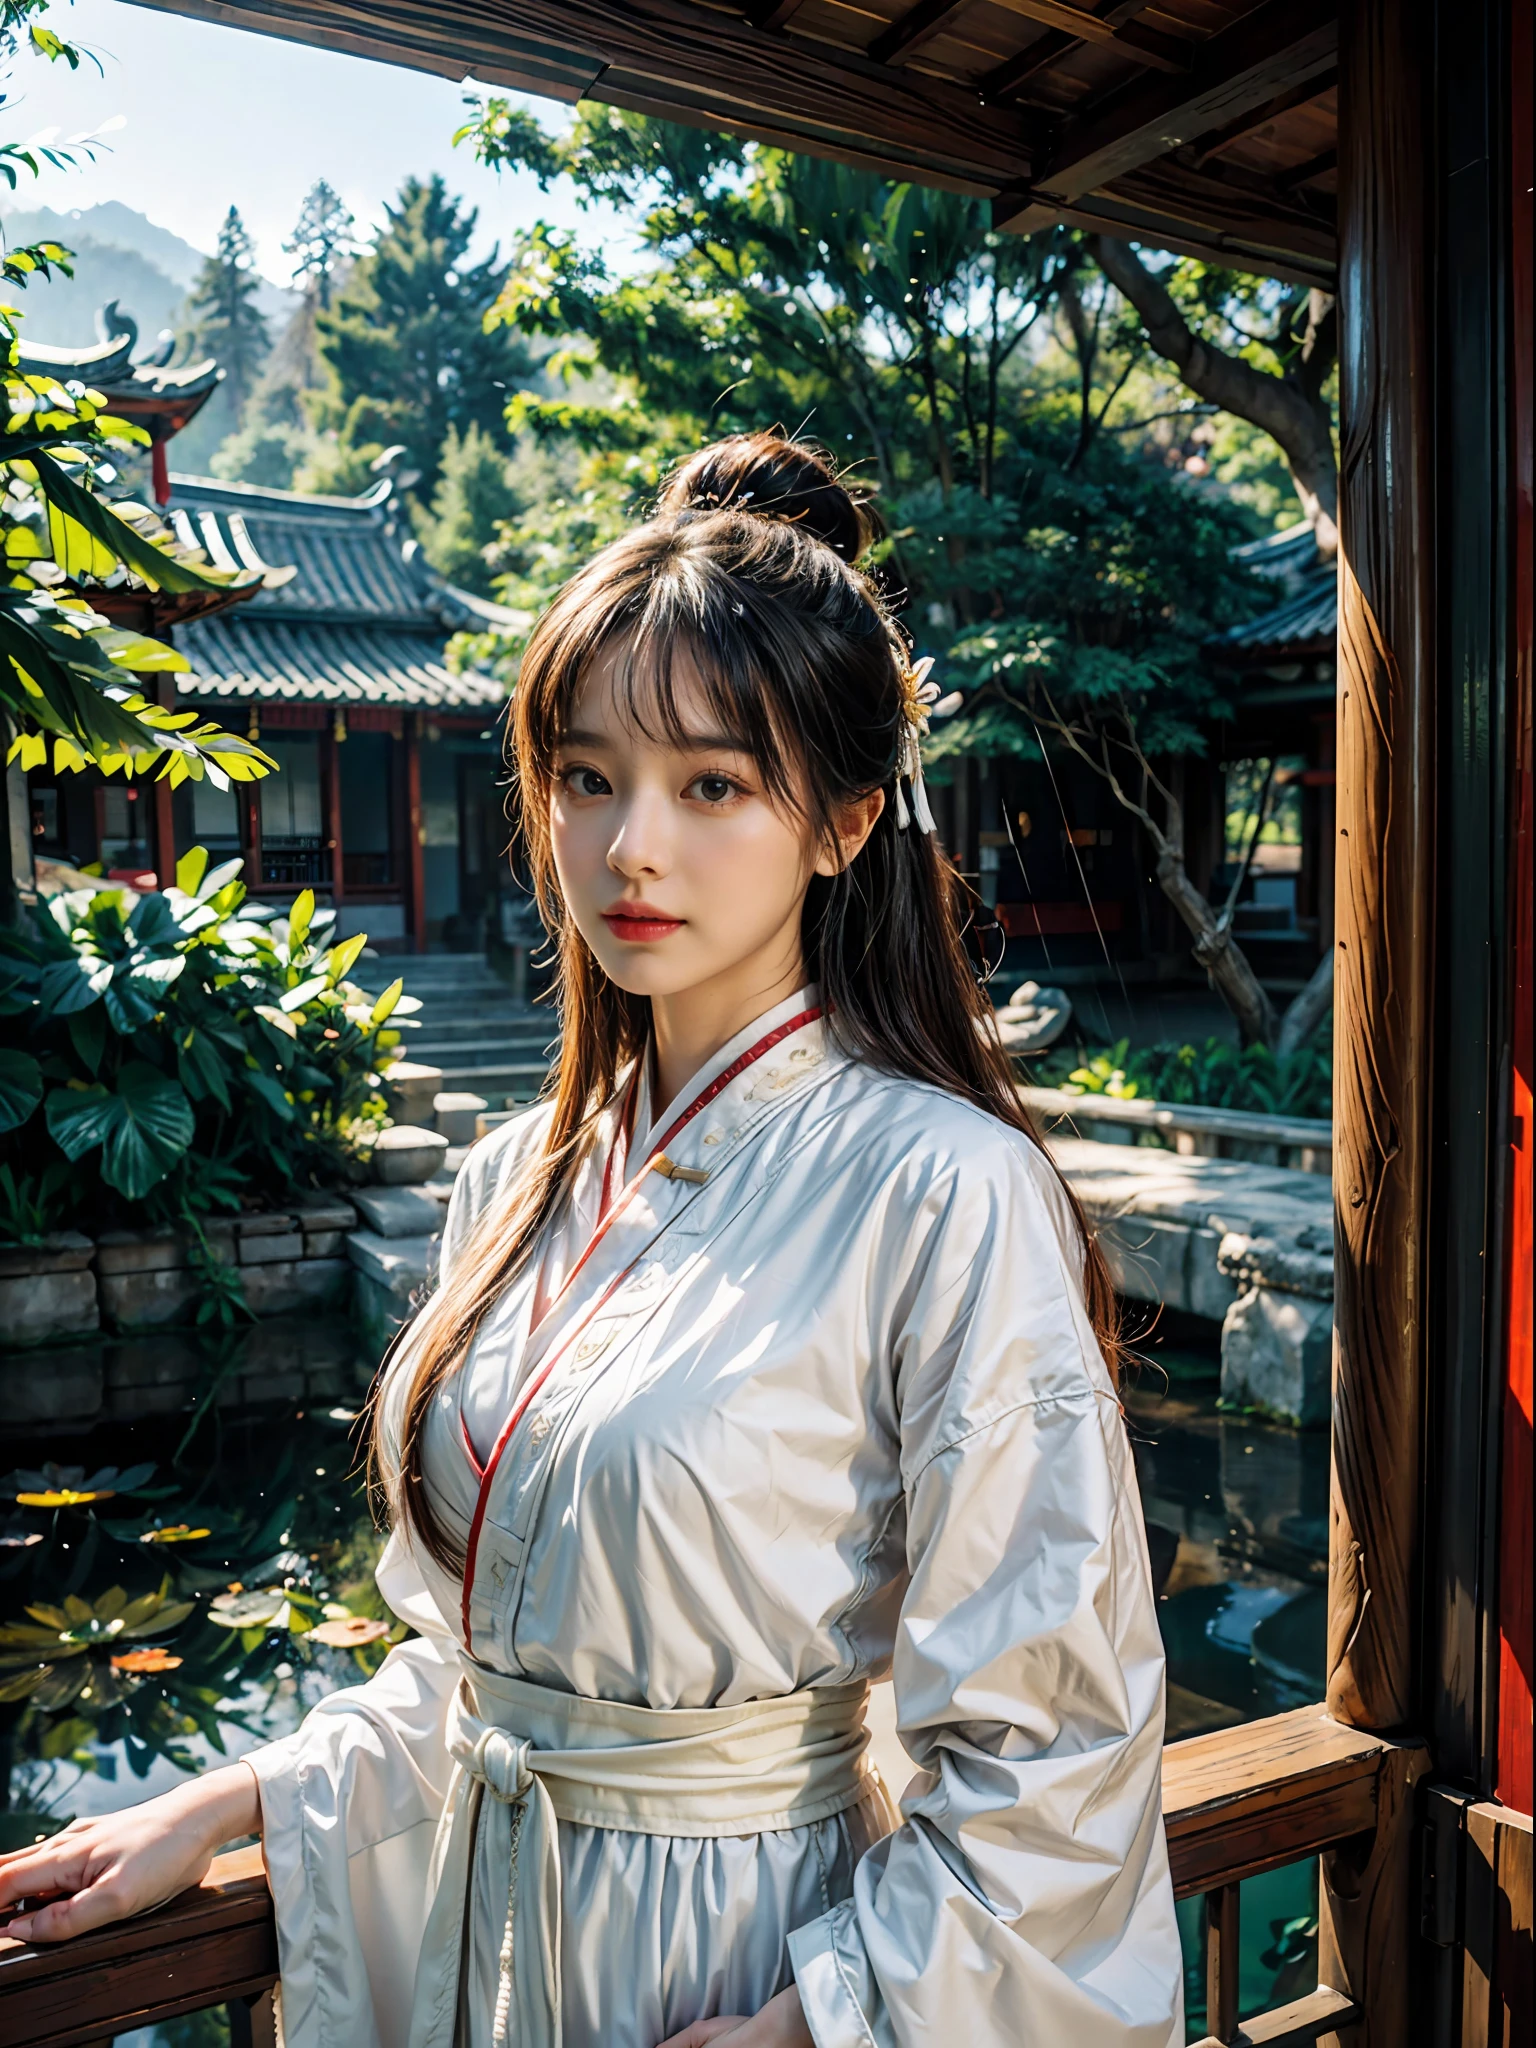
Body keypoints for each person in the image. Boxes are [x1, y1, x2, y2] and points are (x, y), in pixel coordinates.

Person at [0, 433, 1182, 2048]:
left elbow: (1056, 1741)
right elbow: (485, 1676)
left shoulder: (942, 1188)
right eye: (585, 776)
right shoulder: (517, 1186)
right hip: (501, 1937)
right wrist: (235, 1802)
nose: (631, 847)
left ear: (843, 824)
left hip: (742, 1960)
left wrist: (809, 2028)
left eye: (711, 785)